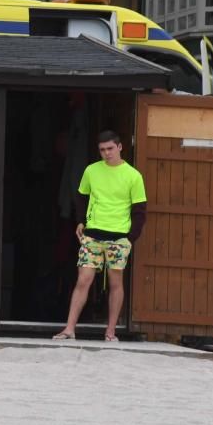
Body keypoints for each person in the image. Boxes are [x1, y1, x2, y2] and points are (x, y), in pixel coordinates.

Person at [53, 130, 147, 342]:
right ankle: (69, 329)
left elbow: (140, 211)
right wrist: (80, 221)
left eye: (110, 149)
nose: (106, 153)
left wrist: (129, 238)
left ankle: (111, 331)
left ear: (120, 147)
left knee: (115, 282)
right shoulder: (91, 170)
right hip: (92, 234)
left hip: (118, 236)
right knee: (83, 279)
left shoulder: (133, 175)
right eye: (102, 150)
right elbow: (81, 197)